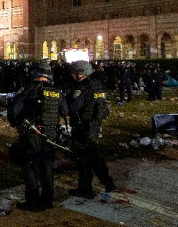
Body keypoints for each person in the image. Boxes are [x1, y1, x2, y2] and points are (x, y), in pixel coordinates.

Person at [9, 62, 67, 211]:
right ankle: (47, 200)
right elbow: (65, 111)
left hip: (31, 134)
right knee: (46, 165)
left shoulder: (27, 90)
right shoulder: (56, 91)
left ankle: (33, 201)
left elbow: (13, 111)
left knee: (29, 165)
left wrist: (15, 123)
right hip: (51, 134)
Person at [67, 60, 115, 199]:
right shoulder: (97, 85)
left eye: (73, 72)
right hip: (94, 124)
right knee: (94, 155)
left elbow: (74, 109)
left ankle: (85, 189)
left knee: (83, 158)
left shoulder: (81, 87)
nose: (72, 75)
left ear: (81, 74)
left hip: (83, 126)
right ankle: (108, 182)